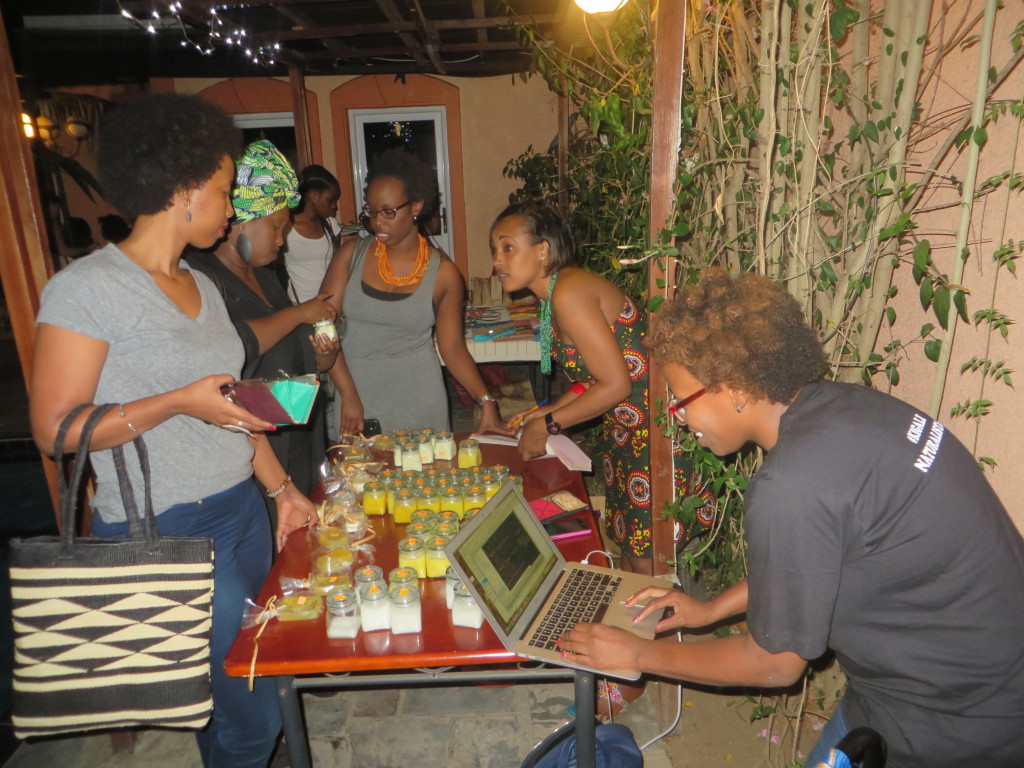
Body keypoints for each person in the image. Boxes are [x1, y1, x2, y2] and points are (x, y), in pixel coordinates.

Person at [559, 269, 1024, 768]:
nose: (677, 416)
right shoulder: (847, 409)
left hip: (956, 719)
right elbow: (819, 567)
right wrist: (710, 609)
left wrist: (636, 656)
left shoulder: (793, 484)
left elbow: (774, 665)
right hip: (953, 680)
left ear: (734, 388)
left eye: (681, 399)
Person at [30, 92, 316, 768]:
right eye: (221, 192)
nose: (228, 208)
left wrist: (282, 492)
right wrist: (175, 402)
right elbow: (56, 431)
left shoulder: (203, 285)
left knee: (231, 689)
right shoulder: (88, 289)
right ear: (184, 191)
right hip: (159, 529)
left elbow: (231, 402)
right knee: (254, 710)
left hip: (242, 513)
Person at [490, 201, 715, 576]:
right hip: (630, 430)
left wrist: (547, 426)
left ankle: (647, 634)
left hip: (658, 430)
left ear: (543, 250)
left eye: (507, 247)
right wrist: (545, 411)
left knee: (648, 562)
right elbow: (593, 378)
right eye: (495, 250)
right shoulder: (549, 299)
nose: (497, 260)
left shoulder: (569, 292)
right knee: (630, 551)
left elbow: (615, 385)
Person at [187, 140, 339, 498]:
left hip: (296, 429)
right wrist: (301, 312)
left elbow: (287, 345)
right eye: (275, 227)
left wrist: (325, 356)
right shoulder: (202, 277)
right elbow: (235, 342)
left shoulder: (267, 276)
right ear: (243, 223)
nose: (281, 241)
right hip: (254, 449)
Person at [319, 147, 507, 436]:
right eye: (371, 211)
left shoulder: (444, 275)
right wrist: (350, 395)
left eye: (389, 212)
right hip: (354, 399)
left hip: (419, 401)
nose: (377, 222)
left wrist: (487, 402)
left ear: (416, 207)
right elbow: (323, 328)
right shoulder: (351, 256)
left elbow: (453, 348)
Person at [285, 164, 344, 304]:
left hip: (330, 304)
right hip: (299, 307)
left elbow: (338, 269)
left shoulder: (331, 226)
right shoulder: (286, 229)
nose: (335, 206)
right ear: (314, 196)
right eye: (331, 200)